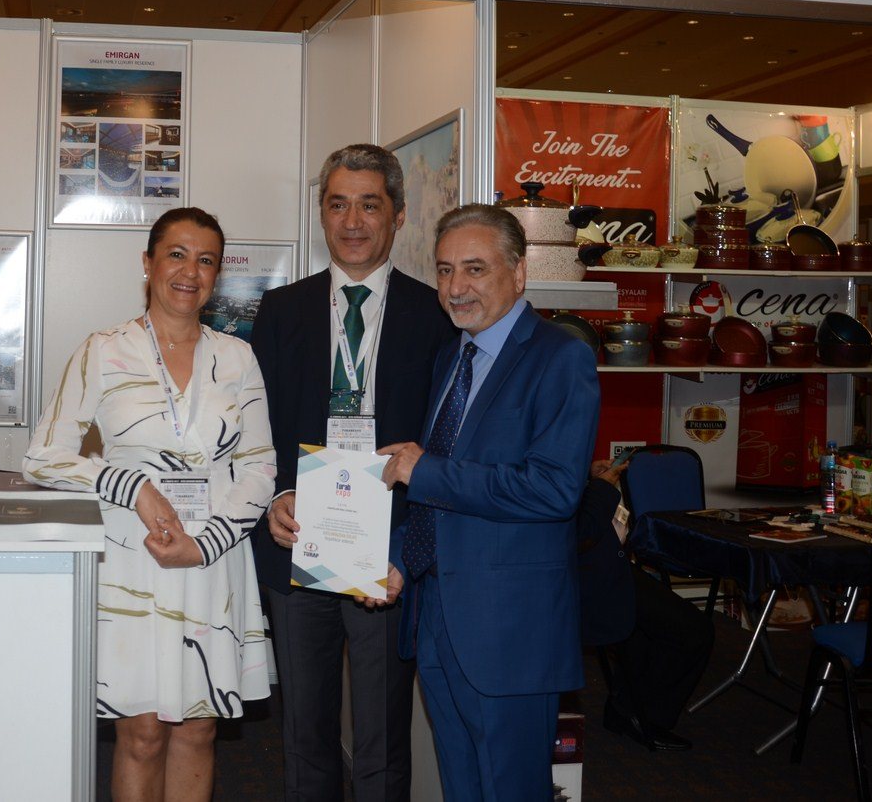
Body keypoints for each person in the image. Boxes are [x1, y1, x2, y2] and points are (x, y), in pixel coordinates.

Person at [24, 207, 276, 802]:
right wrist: (132, 486)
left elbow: (260, 468)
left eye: (206, 260)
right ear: (148, 263)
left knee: (198, 728)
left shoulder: (237, 358)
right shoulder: (103, 349)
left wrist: (205, 543)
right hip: (132, 559)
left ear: (217, 274)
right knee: (140, 733)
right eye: (176, 255)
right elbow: (42, 457)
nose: (190, 272)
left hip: (212, 557)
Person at [249, 144, 453, 802]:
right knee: (303, 732)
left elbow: (446, 437)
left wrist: (412, 544)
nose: (354, 221)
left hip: (387, 552)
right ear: (322, 213)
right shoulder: (280, 310)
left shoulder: (436, 315)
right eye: (338, 204)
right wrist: (278, 492)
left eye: (370, 204)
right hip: (299, 538)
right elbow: (257, 426)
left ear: (399, 214)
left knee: (382, 736)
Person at [377, 203, 598, 801]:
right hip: (436, 619)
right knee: (462, 787)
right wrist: (400, 558)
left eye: (475, 269)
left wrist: (428, 470)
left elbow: (554, 489)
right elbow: (437, 489)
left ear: (518, 273)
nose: (456, 288)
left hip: (509, 632)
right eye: (445, 270)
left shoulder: (561, 357)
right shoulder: (454, 355)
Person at [577, 459, 713, 752]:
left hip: (601, 565)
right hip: (583, 576)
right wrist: (600, 487)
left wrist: (586, 477)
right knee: (693, 630)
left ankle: (626, 709)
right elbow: (582, 530)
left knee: (652, 627)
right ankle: (643, 716)